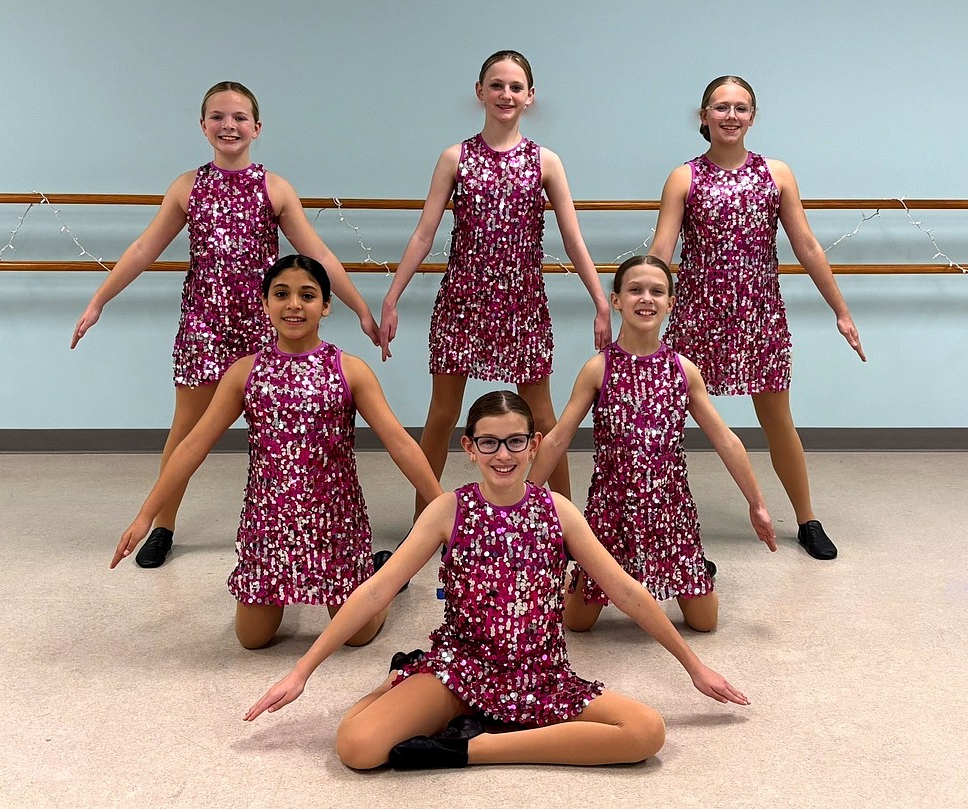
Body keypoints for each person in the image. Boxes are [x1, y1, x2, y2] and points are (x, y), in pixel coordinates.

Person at [245, 391, 752, 770]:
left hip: (539, 675)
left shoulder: (560, 512)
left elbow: (626, 591)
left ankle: (472, 746)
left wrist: (694, 666)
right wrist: (301, 671)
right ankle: (412, 681)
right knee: (356, 747)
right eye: (489, 442)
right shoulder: (448, 510)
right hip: (461, 668)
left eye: (514, 441)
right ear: (469, 446)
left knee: (646, 732)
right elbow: (377, 589)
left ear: (534, 445)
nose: (503, 454)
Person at [73, 81, 380, 569]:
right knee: (186, 430)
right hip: (205, 325)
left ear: (257, 128)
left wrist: (361, 307)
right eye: (217, 117)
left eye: (239, 117)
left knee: (278, 432)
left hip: (265, 328)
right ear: (203, 127)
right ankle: (163, 524)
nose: (228, 125)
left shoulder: (274, 189)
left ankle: (278, 522)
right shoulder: (187, 187)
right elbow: (142, 249)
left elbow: (317, 254)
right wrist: (99, 300)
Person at [111, 256, 439, 649]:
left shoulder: (350, 371)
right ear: (264, 303)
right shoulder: (244, 373)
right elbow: (193, 445)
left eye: (308, 295)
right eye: (281, 294)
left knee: (357, 636)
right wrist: (146, 514)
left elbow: (400, 443)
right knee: (252, 639)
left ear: (326, 305)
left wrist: (444, 511)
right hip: (268, 528)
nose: (294, 305)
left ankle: (386, 577)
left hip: (336, 524)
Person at [378, 50, 612, 521]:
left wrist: (601, 302)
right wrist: (391, 296)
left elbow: (572, 236)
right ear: (480, 91)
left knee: (543, 417)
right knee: (443, 413)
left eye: (515, 87)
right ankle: (425, 524)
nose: (506, 94)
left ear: (530, 96)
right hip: (462, 302)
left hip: (522, 303)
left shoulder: (545, 161)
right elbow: (425, 232)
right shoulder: (455, 157)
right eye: (497, 85)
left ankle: (561, 523)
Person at [650, 75, 866, 561]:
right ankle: (657, 521)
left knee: (777, 420)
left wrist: (841, 309)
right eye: (720, 107)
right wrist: (638, 317)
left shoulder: (777, 173)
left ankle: (807, 518)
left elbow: (806, 245)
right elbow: (662, 251)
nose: (730, 116)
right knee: (666, 418)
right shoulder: (683, 177)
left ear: (753, 117)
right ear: (703, 116)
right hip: (698, 314)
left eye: (740, 108)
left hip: (759, 314)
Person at [528, 255, 775, 633]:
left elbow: (725, 440)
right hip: (611, 512)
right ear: (617, 301)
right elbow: (559, 436)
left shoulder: (683, 369)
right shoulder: (598, 368)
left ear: (670, 303)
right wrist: (524, 502)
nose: (646, 298)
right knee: (576, 624)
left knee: (704, 624)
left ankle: (694, 566)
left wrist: (757, 504)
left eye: (657, 291)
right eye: (635, 290)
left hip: (671, 513)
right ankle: (576, 574)